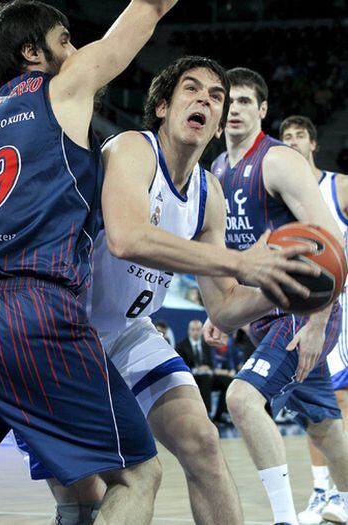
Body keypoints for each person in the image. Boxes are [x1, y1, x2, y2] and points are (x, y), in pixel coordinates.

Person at [22, 56, 319, 525]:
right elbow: (126, 239)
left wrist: (281, 289)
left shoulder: (210, 193)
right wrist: (244, 262)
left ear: (219, 124)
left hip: (130, 333)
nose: (205, 98)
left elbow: (222, 309)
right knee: (88, 499)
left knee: (203, 444)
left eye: (216, 96)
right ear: (162, 106)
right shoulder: (131, 149)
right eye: (191, 89)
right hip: (62, 333)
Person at [0, 1, 182, 522]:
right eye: (65, 40)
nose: (75, 50)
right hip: (31, 307)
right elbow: (148, 9)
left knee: (77, 488)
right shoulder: (61, 88)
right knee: (138, 474)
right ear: (33, 52)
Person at [211, 67, 348, 525]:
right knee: (326, 427)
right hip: (260, 314)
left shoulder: (277, 161)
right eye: (228, 101)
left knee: (242, 399)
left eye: (245, 101)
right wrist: (223, 313)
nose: (234, 109)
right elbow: (235, 255)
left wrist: (317, 324)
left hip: (301, 310)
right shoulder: (217, 168)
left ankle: (285, 519)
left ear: (262, 110)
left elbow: (331, 244)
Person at [280, 115, 348, 524]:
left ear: (314, 144)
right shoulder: (281, 193)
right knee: (312, 400)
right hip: (305, 301)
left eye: (299, 135)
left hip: (340, 300)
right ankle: (323, 491)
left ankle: (341, 492)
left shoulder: (338, 186)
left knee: (338, 398)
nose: (292, 142)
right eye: (285, 136)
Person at [176, 319, 233, 422]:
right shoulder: (181, 346)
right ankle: (206, 414)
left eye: (198, 329)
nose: (195, 332)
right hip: (192, 377)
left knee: (227, 380)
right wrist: (197, 369)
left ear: (202, 331)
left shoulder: (206, 344)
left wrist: (208, 368)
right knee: (206, 379)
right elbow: (181, 368)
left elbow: (211, 364)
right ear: (189, 331)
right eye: (193, 330)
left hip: (207, 375)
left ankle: (221, 414)